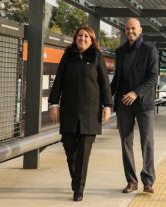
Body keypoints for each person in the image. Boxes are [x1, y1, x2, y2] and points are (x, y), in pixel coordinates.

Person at [48, 26, 113, 202]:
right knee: (69, 149)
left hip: (90, 113)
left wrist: (107, 105)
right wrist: (54, 103)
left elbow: (105, 84)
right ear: (75, 38)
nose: (82, 38)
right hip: (69, 111)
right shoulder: (67, 55)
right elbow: (59, 80)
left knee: (83, 153)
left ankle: (79, 189)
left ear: (91, 40)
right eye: (80, 35)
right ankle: (76, 179)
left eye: (86, 36)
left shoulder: (97, 57)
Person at [110, 18, 158, 194]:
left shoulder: (150, 50)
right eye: (127, 28)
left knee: (147, 141)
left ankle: (148, 181)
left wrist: (136, 92)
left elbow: (153, 77)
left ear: (140, 30)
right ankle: (131, 181)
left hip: (144, 104)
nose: (130, 31)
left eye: (133, 28)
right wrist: (106, 97)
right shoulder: (120, 51)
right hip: (124, 104)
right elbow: (117, 78)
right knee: (125, 142)